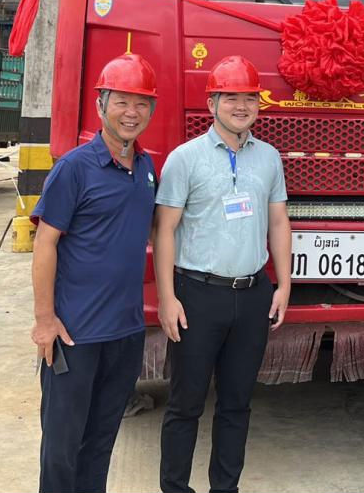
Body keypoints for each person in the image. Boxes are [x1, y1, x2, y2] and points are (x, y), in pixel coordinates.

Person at [154, 55, 292, 493]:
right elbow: (164, 230)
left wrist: (284, 285)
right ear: (211, 103)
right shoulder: (185, 159)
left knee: (236, 404)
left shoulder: (268, 158)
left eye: (249, 98)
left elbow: (278, 221)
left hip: (252, 295)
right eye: (230, 97)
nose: (241, 106)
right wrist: (167, 298)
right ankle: (175, 487)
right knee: (186, 404)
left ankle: (225, 487)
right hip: (197, 295)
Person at [30, 53, 159, 493]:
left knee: (101, 441)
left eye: (141, 103)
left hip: (125, 333)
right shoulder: (74, 168)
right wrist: (45, 320)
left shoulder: (146, 169)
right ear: (101, 104)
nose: (131, 112)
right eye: (121, 101)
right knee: (62, 446)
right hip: (75, 334)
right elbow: (44, 243)